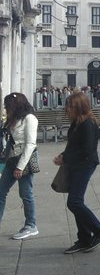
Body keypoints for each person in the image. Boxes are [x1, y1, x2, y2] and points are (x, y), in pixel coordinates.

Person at [54, 91, 100, 253]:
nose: (68, 110)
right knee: (75, 202)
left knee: (74, 202)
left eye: (71, 107)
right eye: (67, 106)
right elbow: (74, 146)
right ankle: (84, 237)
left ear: (80, 107)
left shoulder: (88, 124)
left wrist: (65, 159)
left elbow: (87, 150)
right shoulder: (77, 122)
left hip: (85, 165)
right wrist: (64, 155)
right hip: (75, 164)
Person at [0, 93, 39, 240]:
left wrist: (20, 167)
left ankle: (31, 225)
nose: (5, 108)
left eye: (8, 105)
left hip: (25, 159)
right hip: (11, 158)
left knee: (25, 193)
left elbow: (30, 144)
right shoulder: (13, 119)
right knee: (1, 191)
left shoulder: (30, 118)